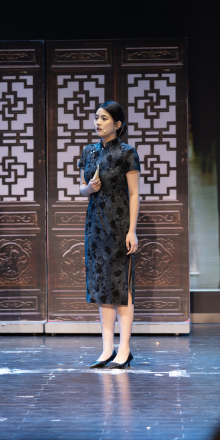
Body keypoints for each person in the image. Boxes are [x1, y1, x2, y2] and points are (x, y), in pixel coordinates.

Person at [78, 101, 140, 369]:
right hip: (95, 227)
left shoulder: (127, 153)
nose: (98, 122)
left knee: (121, 288)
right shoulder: (89, 152)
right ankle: (106, 350)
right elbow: (82, 189)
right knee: (102, 287)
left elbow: (134, 194)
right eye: (96, 117)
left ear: (117, 124)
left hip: (119, 227)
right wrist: (89, 189)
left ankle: (124, 350)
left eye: (104, 118)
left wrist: (132, 231)